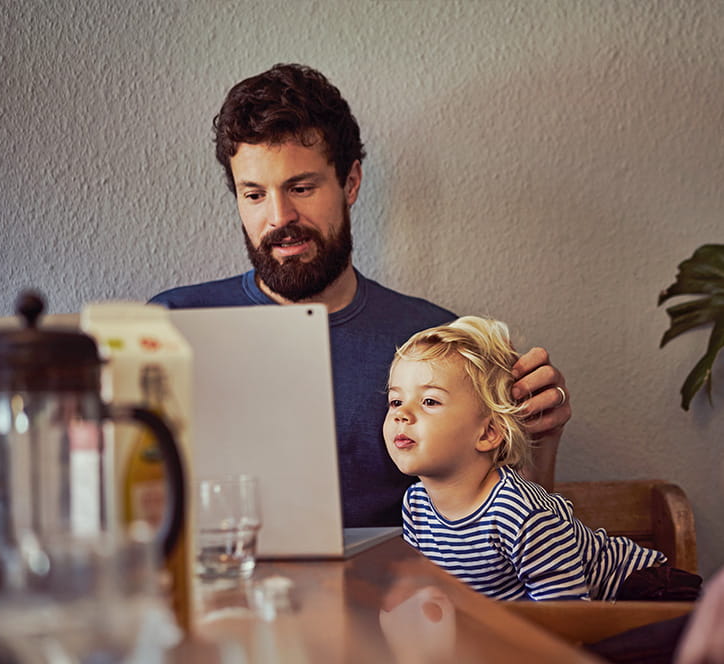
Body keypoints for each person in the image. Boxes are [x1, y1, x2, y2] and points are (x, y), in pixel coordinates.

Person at [150, 63, 571, 527]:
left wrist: (539, 441)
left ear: (350, 183)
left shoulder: (437, 343)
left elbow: (506, 539)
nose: (279, 217)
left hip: (399, 577)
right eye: (254, 195)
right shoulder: (168, 326)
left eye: (301, 188)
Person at [384, 315, 675, 601]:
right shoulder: (416, 505)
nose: (401, 414)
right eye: (396, 401)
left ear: (488, 433)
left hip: (645, 591)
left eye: (429, 401)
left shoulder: (518, 512)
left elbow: (566, 616)